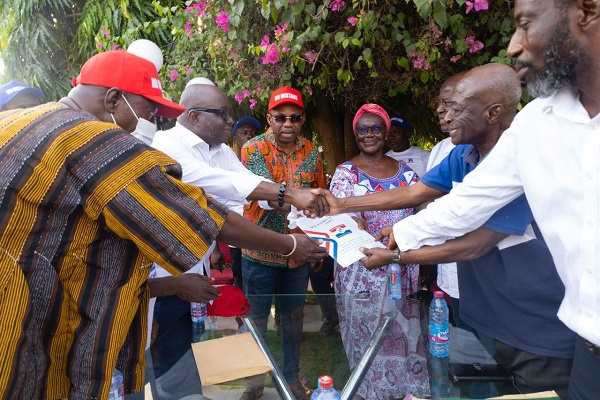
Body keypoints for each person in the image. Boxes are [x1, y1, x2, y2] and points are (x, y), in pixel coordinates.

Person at [0, 50, 327, 399]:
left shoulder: (14, 122)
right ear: (114, 99)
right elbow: (199, 219)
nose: (152, 122)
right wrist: (291, 246)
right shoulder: (98, 141)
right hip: (32, 319)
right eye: (148, 111)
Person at [373, 2, 600, 398]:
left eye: (525, 25)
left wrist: (400, 252)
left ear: (587, 11)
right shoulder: (536, 124)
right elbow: (470, 201)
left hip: (542, 332)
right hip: (588, 346)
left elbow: (478, 239)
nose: (513, 46)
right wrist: (402, 236)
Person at [324, 63, 576, 398]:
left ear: (493, 113)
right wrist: (341, 206)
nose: (444, 116)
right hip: (480, 316)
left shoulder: (528, 162)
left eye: (455, 108)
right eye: (444, 106)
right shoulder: (465, 154)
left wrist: (397, 254)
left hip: (532, 329)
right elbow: (417, 194)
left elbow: (474, 245)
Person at [150, 81, 327, 327]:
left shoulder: (221, 152)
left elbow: (250, 188)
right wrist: (290, 197)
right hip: (161, 280)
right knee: (165, 352)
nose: (230, 120)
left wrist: (302, 205)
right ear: (194, 116)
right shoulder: (165, 144)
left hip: (194, 273)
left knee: (192, 348)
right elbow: (222, 183)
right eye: (223, 113)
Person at [330, 104, 428, 399]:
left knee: (405, 332)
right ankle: (369, 392)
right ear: (355, 134)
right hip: (361, 273)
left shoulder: (408, 175)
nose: (369, 134)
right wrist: (348, 220)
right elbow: (333, 217)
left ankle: (406, 391)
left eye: (376, 128)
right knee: (367, 337)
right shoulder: (345, 174)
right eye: (363, 129)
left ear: (386, 133)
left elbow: (421, 213)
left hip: (402, 267)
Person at [239, 86, 325, 400]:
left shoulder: (311, 151)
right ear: (269, 118)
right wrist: (300, 201)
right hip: (260, 251)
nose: (287, 124)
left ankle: (291, 379)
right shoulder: (253, 148)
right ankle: (254, 383)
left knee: (293, 318)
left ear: (302, 120)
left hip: (298, 255)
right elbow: (265, 198)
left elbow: (319, 200)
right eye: (280, 117)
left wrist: (320, 239)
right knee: (256, 320)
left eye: (295, 117)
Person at [427, 73, 462, 328]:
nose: (440, 109)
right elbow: (422, 196)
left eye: (449, 103)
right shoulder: (440, 149)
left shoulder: (501, 151)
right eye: (440, 102)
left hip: (483, 280)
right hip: (449, 273)